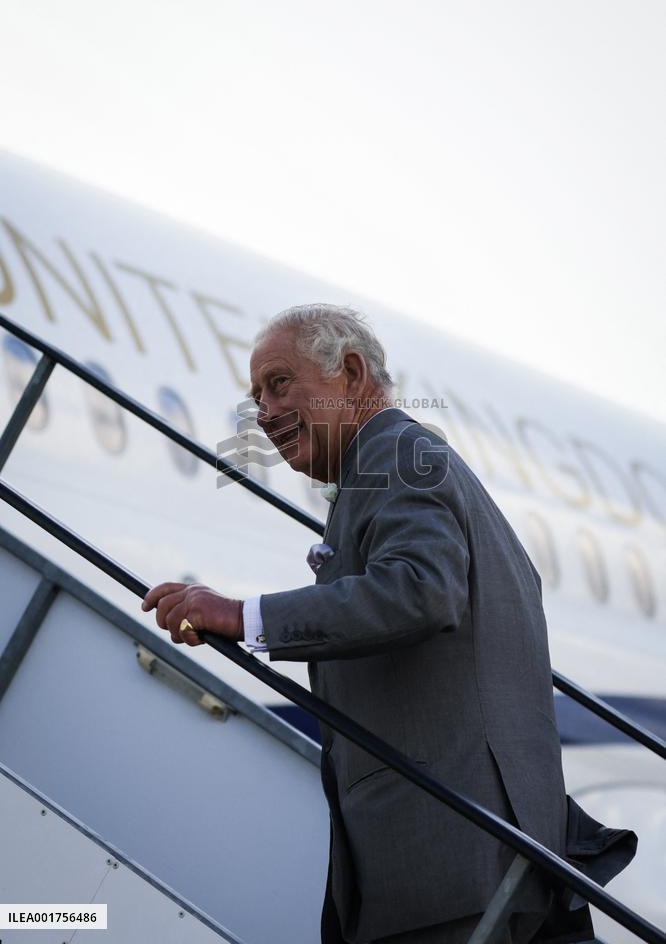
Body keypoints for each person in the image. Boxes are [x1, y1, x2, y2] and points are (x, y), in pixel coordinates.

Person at [142, 304, 634, 944]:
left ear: (349, 373)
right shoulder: (398, 466)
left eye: (280, 383)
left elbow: (419, 590)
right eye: (255, 394)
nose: (261, 411)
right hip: (490, 861)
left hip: (447, 865)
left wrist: (243, 615)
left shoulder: (395, 452)